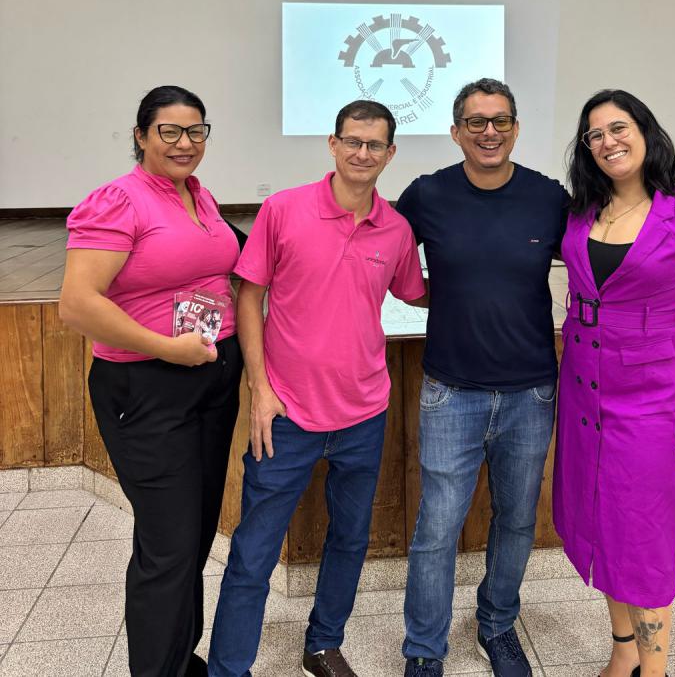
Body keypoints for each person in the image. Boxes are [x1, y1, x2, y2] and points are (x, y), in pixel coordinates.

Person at [208, 100, 425, 677]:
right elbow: (249, 296)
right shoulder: (284, 209)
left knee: (350, 540)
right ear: (333, 144)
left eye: (374, 145)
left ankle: (323, 644)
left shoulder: (396, 229)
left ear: (390, 154)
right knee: (253, 553)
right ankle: (229, 668)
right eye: (352, 141)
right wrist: (260, 389)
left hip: (364, 412)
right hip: (286, 414)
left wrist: (489, 276)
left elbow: (416, 292)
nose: (362, 153)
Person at [59, 85, 243, 677]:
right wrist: (168, 348)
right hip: (147, 386)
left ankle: (179, 660)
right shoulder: (119, 201)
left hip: (209, 380)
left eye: (196, 131)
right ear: (140, 136)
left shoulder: (198, 195)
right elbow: (77, 304)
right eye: (169, 131)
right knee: (169, 544)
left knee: (195, 535)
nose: (185, 143)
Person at [553, 89, 675, 677]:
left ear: (646, 132)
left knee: (643, 535)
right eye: (595, 135)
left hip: (655, 397)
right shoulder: (583, 211)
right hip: (584, 391)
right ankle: (624, 651)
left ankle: (653, 670)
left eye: (618, 128)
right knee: (600, 524)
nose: (608, 141)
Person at [397, 79, 569, 677]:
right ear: (455, 132)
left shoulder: (548, 197)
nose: (488, 131)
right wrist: (437, 297)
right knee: (437, 528)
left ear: (516, 129)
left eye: (500, 121)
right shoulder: (427, 194)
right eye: (476, 121)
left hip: (531, 391)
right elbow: (381, 255)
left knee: (517, 520)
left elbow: (600, 262)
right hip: (451, 392)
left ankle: (496, 625)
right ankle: (424, 649)